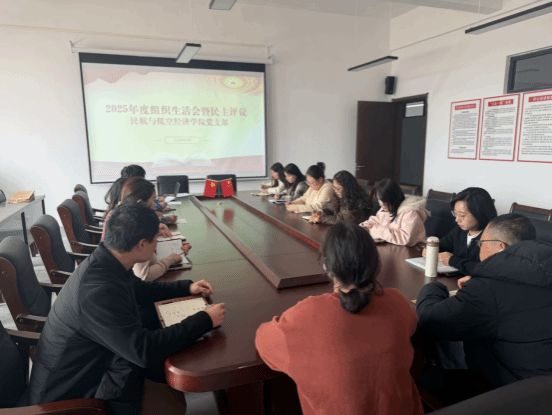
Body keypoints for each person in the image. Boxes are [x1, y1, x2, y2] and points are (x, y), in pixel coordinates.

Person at [27, 202, 226, 414]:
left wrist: (186, 287)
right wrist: (204, 320)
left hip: (98, 366)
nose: (157, 244)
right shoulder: (98, 293)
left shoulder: (108, 260)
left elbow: (139, 289)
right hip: (71, 400)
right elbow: (143, 350)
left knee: (157, 330)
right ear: (142, 244)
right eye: (156, 239)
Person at [255, 222, 423, 415]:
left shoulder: (307, 314)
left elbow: (263, 340)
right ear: (375, 264)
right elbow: (410, 325)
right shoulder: (397, 301)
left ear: (327, 266)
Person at [416, 214, 552, 388]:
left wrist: (434, 287)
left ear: (501, 247)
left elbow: (430, 319)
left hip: (515, 392)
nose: (479, 248)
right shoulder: (544, 269)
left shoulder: (488, 289)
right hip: (541, 381)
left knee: (419, 377)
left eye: (481, 243)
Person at [102, 177, 189, 281]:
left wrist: (173, 247)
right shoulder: (136, 228)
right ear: (141, 203)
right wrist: (171, 259)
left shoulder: (127, 217)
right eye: (154, 200)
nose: (156, 204)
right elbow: (144, 276)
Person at [422, 187, 497, 275]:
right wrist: (428, 249)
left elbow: (488, 270)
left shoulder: (493, 237)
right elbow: (441, 245)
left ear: (480, 213)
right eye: (455, 214)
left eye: (462, 215)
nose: (457, 219)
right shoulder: (459, 231)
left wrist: (453, 261)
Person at [360, 178, 428, 246]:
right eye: (379, 199)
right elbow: (375, 221)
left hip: (414, 250)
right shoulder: (387, 208)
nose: (380, 204)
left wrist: (376, 230)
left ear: (392, 199)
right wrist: (365, 228)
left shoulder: (410, 212)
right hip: (394, 248)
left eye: (383, 200)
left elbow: (406, 238)